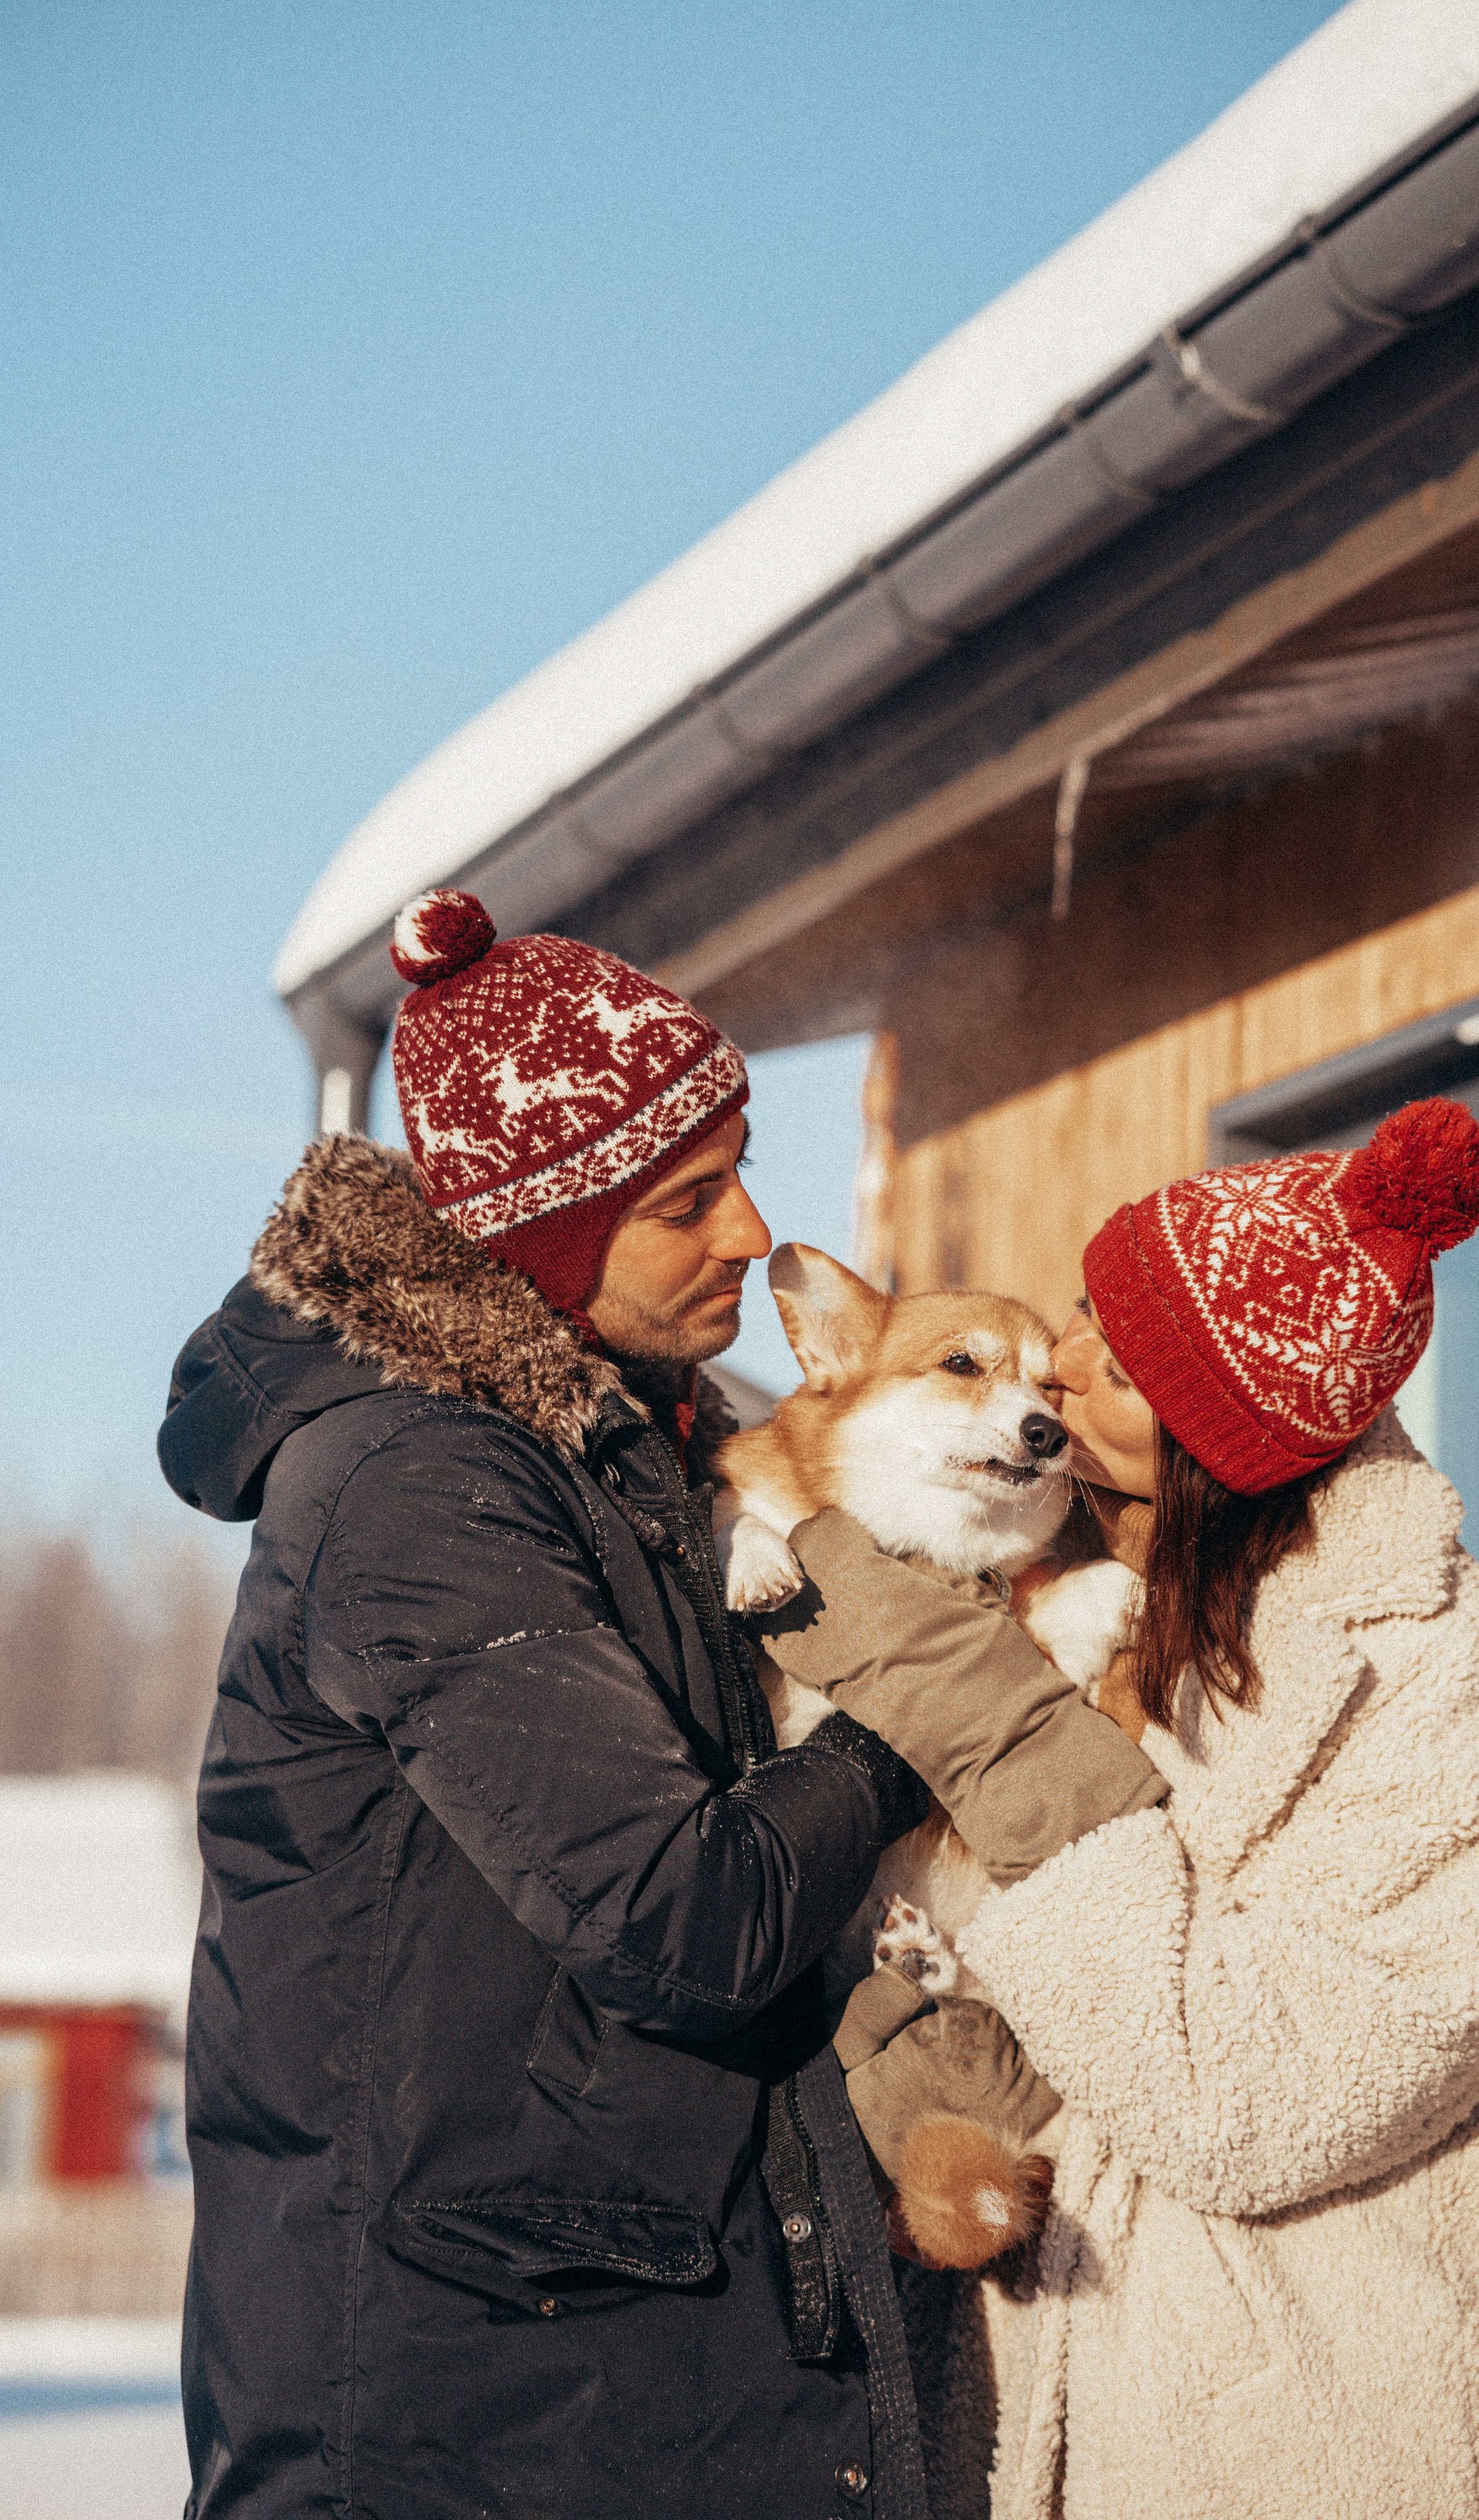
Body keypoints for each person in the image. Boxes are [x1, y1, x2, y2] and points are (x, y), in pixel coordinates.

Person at [156, 883, 1170, 2520]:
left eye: (742, 1172)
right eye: (692, 1197)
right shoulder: (421, 1493)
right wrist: (923, 1699)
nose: (754, 1232)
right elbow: (676, 1917)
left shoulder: (636, 1452)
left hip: (650, 2377)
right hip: (479, 2420)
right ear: (545, 1235)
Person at [757, 1100, 1479, 2520]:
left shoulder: (1423, 1682)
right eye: (1083, 1309)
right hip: (1027, 2399)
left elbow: (1246, 2098)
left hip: (1291, 2443)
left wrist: (976, 1706)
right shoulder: (1047, 1549)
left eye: (1125, 1369)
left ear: (1214, 1442)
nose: (1060, 1371)